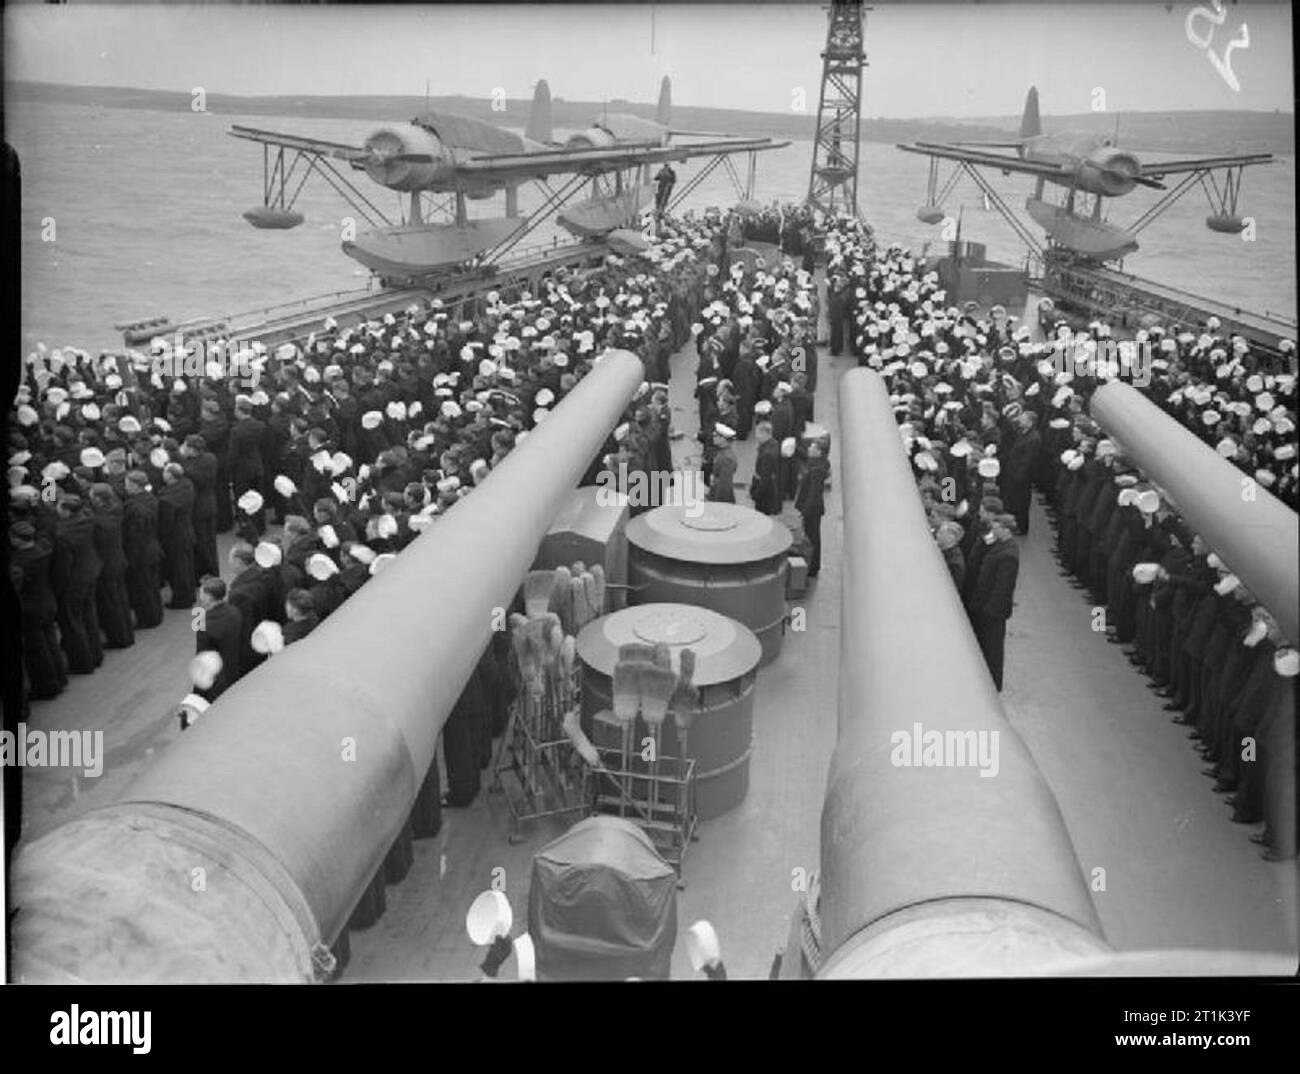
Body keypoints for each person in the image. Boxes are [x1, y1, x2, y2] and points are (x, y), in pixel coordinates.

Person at [971, 514, 1021, 691]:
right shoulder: (998, 545)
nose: (993, 530)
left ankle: (993, 685)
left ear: (1006, 530)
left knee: (993, 650)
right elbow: (978, 554)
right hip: (986, 605)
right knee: (987, 646)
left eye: (997, 527)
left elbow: (1003, 588)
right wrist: (986, 539)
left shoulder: (1009, 555)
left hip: (994, 612)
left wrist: (990, 609)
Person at [194, 576, 243, 700]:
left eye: (202, 593)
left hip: (215, 678)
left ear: (209, 597)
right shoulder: (235, 611)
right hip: (232, 668)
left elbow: (202, 655)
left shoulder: (202, 622)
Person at [157, 462, 197, 609]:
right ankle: (189, 594)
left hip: (175, 539)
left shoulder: (167, 500)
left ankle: (181, 599)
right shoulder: (187, 485)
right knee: (187, 567)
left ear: (170, 476)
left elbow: (165, 525)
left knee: (179, 571)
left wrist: (161, 539)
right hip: (187, 532)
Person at [794, 440, 830, 577]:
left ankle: (812, 566)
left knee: (811, 538)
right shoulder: (819, 463)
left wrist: (804, 512)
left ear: (819, 452)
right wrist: (796, 449)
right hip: (814, 509)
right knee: (814, 537)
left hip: (812, 510)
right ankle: (813, 565)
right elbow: (805, 457)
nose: (809, 448)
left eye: (812, 447)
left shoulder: (816, 471)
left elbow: (814, 495)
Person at [749, 419, 781, 516]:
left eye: (758, 433)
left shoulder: (767, 454)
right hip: (771, 489)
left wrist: (756, 494)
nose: (756, 436)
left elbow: (765, 479)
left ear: (765, 434)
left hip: (765, 495)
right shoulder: (774, 444)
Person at [707, 424, 738, 503]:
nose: (713, 437)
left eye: (716, 435)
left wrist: (718, 504)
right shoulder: (721, 451)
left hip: (721, 496)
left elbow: (724, 486)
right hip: (715, 490)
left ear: (723, 439)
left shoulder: (727, 459)